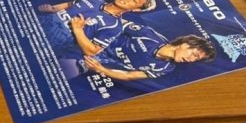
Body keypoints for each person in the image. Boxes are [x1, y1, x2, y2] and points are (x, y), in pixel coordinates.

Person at [38, 0, 157, 77]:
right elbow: (70, 4)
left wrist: (78, 30)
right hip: (39, 23)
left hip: (47, 42)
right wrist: (51, 9)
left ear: (135, 9)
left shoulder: (114, 26)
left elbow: (92, 51)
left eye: (134, 1)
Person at [83, 26, 216, 81]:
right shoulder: (149, 35)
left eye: (196, 59)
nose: (191, 60)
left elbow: (129, 75)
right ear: (186, 44)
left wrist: (101, 69)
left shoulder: (166, 68)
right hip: (90, 42)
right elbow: (116, 24)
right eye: (194, 55)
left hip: (92, 61)